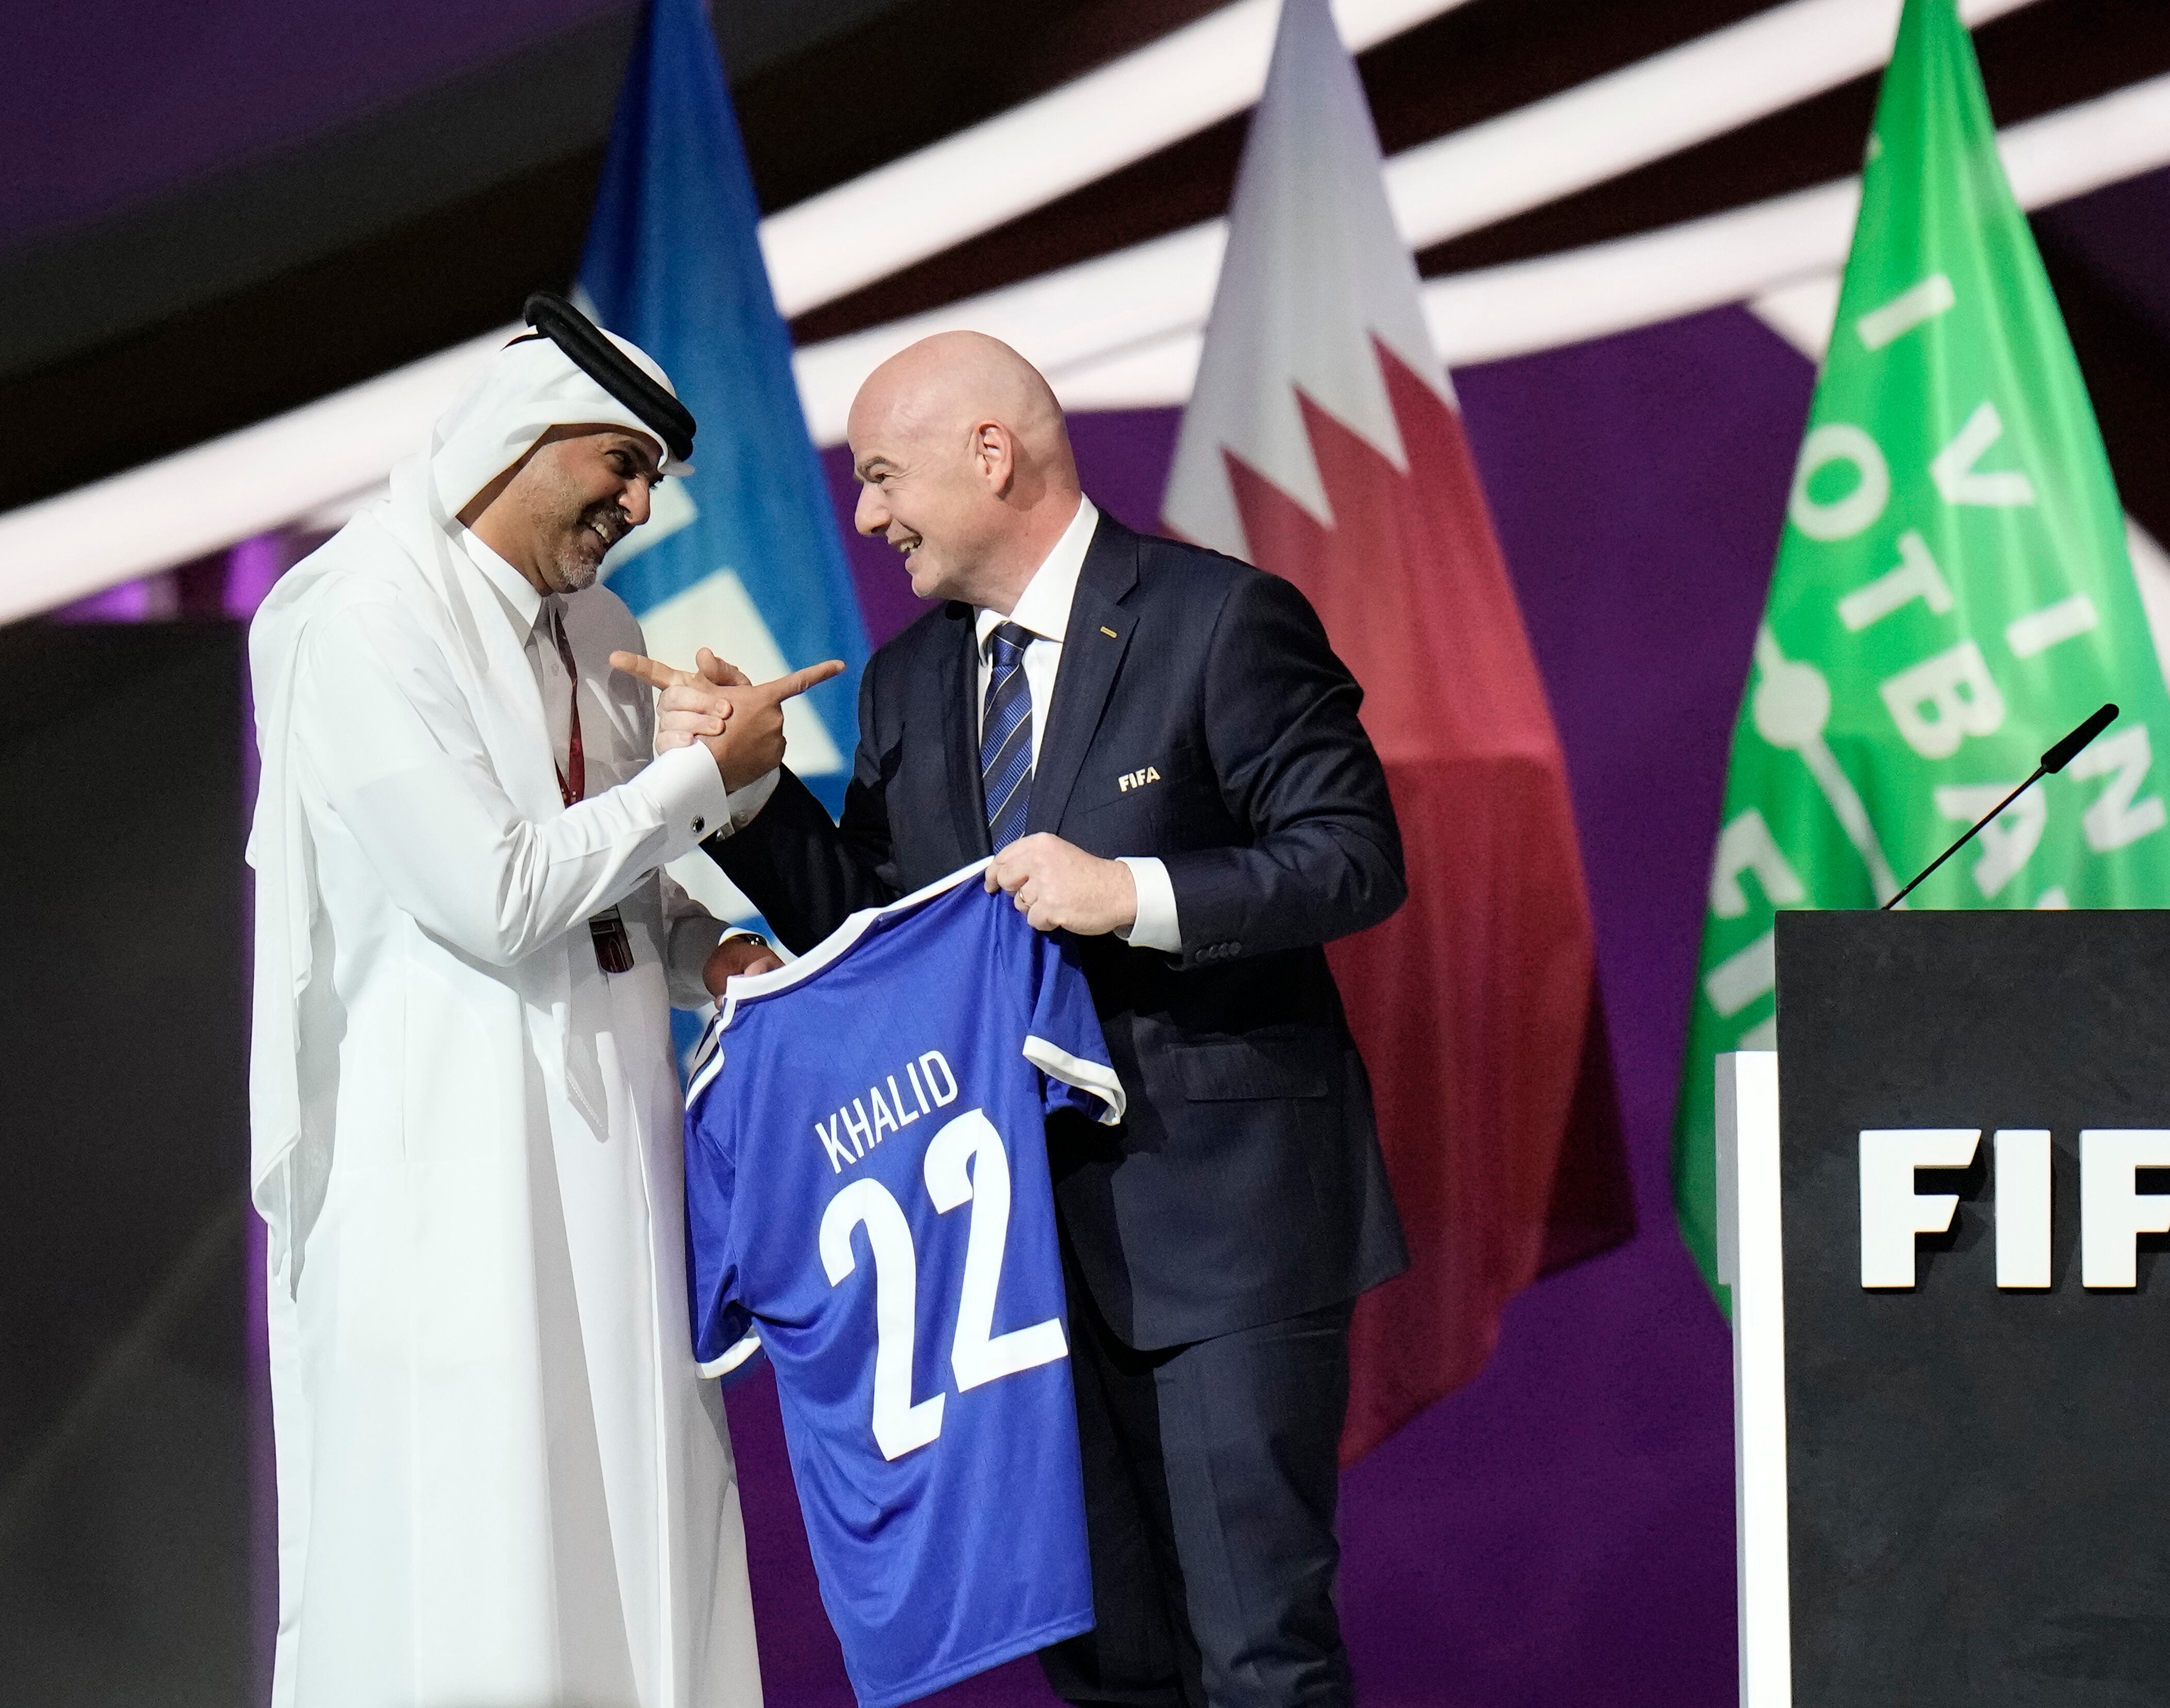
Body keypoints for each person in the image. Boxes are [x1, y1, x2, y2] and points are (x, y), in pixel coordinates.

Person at [624, 330, 1409, 1707]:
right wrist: (742, 790)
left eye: (881, 477)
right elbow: (874, 919)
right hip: (1005, 1267)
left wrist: (1130, 891)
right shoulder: (910, 681)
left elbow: (1354, 857)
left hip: (1217, 1230)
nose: (866, 518)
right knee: (1112, 1674)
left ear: (992, 454)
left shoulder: (1221, 619)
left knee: (1259, 1659)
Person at [246, 295, 837, 1708]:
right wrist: (705, 779)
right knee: (479, 1546)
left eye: (651, 479)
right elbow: (495, 895)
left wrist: (711, 954)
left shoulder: (605, 626)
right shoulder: (364, 613)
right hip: (446, 1178)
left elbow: (612, 882)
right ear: (522, 436)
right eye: (620, 464)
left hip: (614, 1161)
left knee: (630, 1528)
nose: (638, 503)